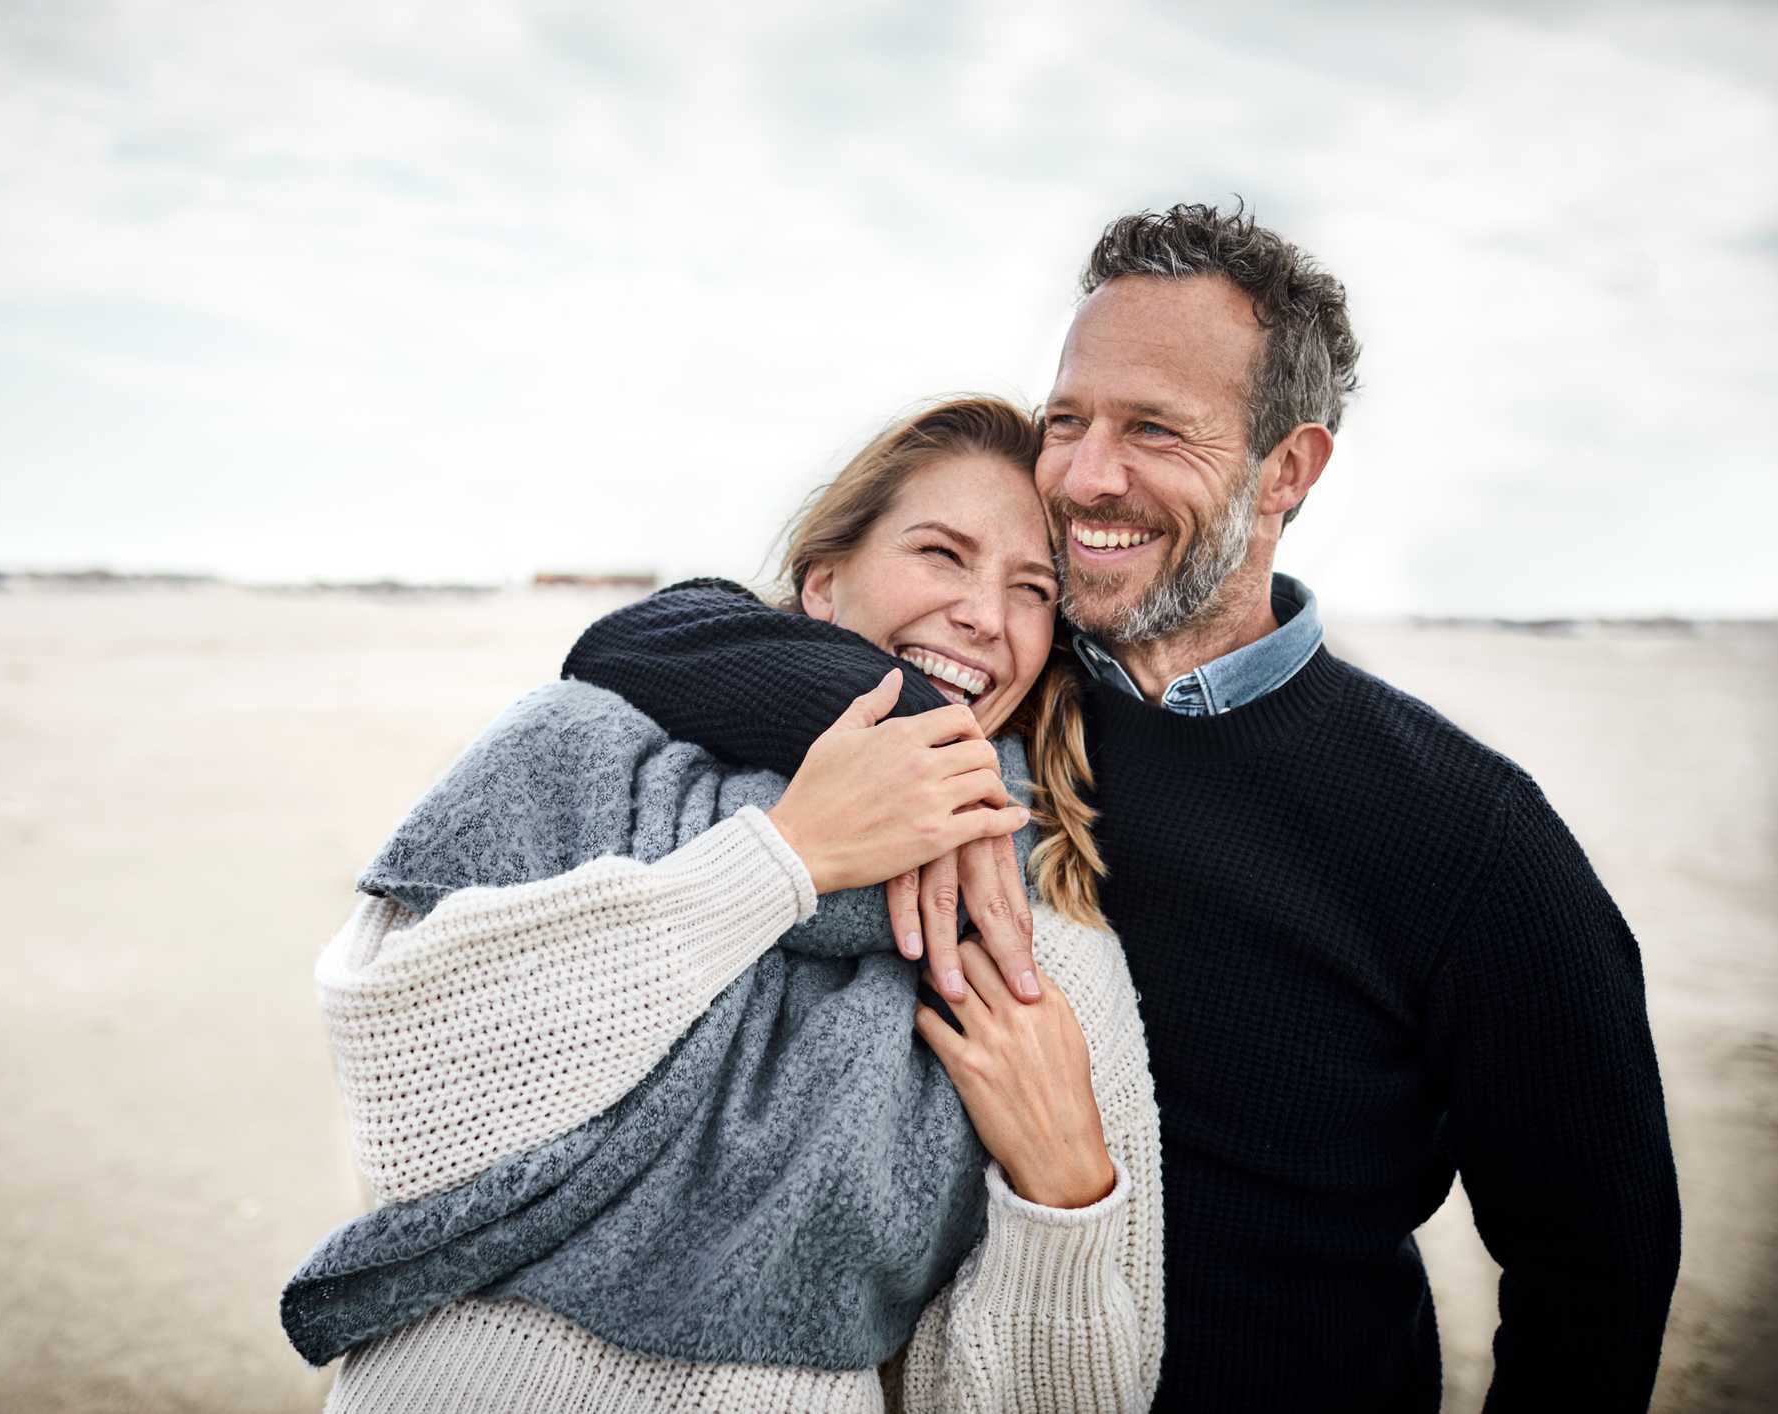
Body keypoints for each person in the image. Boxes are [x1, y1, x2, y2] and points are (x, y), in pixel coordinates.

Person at [564, 203, 1683, 1412]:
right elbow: (642, 635)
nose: (1087, 476)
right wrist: (903, 725)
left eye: (1155, 429)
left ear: (1287, 470)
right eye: (1068, 421)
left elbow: (1598, 1265)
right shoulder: (1002, 689)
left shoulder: (1468, 834)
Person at [293, 397, 1164, 1412]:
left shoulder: (1034, 931)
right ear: (825, 583)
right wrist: (785, 860)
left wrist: (1064, 1200)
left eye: (1033, 589)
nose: (983, 613)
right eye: (941, 553)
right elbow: (405, 1100)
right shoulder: (576, 748)